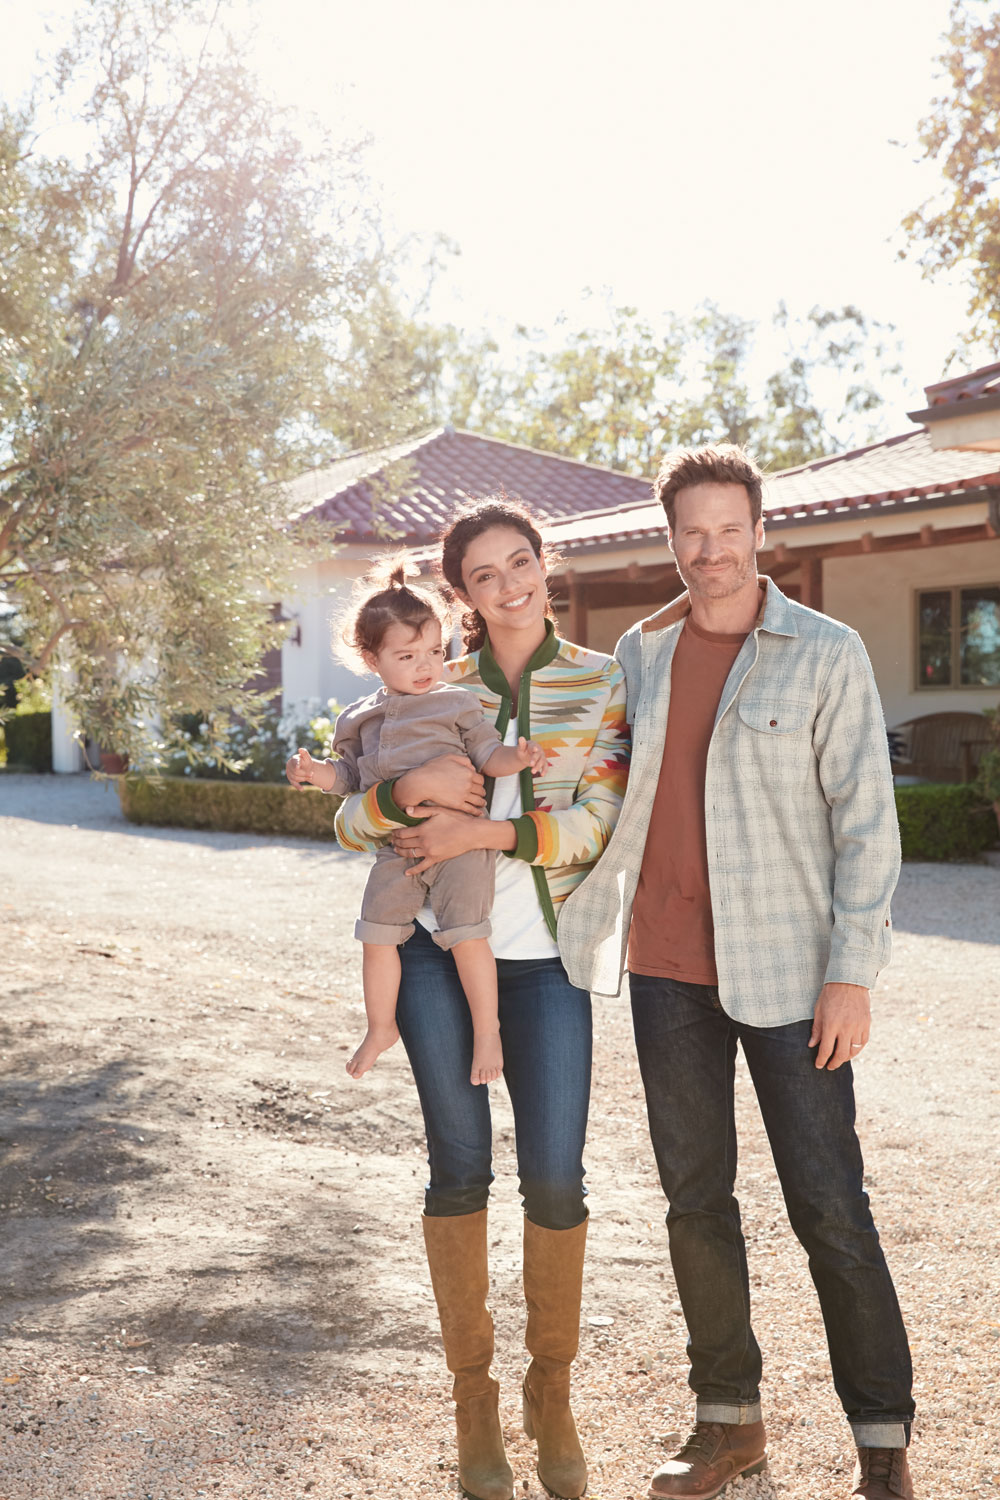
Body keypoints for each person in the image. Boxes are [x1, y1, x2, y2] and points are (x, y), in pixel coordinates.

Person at [558, 445, 915, 1500]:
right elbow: (591, 791)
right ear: (668, 539)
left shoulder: (825, 650)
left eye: (726, 529)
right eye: (689, 532)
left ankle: (882, 1438)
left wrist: (852, 974)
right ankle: (727, 1422)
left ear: (760, 531)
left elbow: (866, 825)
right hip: (665, 971)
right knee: (693, 1202)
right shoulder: (639, 652)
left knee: (829, 1205)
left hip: (793, 973)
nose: (707, 551)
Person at [331, 494, 630, 1500]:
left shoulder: (599, 682)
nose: (507, 586)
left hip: (544, 959)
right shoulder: (423, 680)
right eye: (483, 575)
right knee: (458, 1168)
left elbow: (599, 822)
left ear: (547, 562)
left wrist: (484, 834)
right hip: (428, 954)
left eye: (520, 563)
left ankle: (552, 1394)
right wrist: (397, 803)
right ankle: (474, 1404)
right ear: (459, 594)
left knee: (555, 1180)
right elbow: (346, 822)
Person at [286, 562, 547, 1086]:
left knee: (468, 934)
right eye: (407, 657)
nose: (426, 666)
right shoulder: (360, 718)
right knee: (376, 934)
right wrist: (315, 773)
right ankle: (381, 1026)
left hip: (462, 849)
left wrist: (518, 760)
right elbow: (352, 780)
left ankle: (487, 1030)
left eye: (434, 652)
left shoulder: (457, 702)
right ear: (371, 658)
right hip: (397, 850)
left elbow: (488, 755)